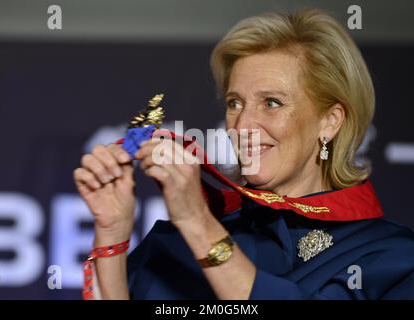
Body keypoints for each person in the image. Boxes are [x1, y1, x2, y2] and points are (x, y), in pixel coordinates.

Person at [73, 9, 414, 299]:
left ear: (330, 121)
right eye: (235, 103)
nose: (243, 124)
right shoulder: (174, 244)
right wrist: (113, 235)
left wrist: (197, 223)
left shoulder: (391, 257)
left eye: (271, 103)